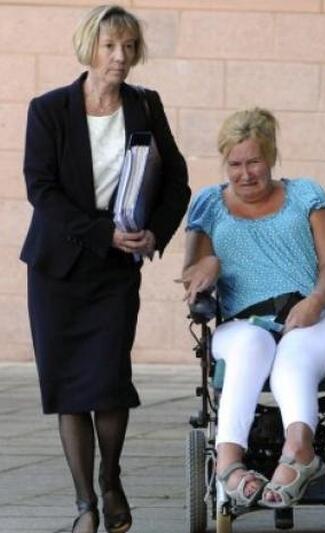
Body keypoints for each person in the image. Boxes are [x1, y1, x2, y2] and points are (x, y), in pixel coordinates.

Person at [20, 5, 190, 532]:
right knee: (68, 387)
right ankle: (85, 505)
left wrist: (155, 233)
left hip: (116, 269)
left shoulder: (145, 105)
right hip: (57, 269)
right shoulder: (48, 109)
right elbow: (41, 188)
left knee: (110, 380)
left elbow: (177, 180)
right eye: (111, 46)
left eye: (129, 47)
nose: (121, 57)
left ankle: (111, 478)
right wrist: (100, 233)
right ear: (89, 47)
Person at [182, 108, 325, 509]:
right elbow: (191, 273)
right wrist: (209, 265)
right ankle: (228, 464)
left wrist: (315, 302)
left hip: (316, 313)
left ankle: (299, 451)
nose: (245, 174)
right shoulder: (208, 204)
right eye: (235, 164)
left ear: (271, 157)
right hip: (244, 321)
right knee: (252, 345)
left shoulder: (306, 195)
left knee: (293, 352)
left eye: (254, 162)